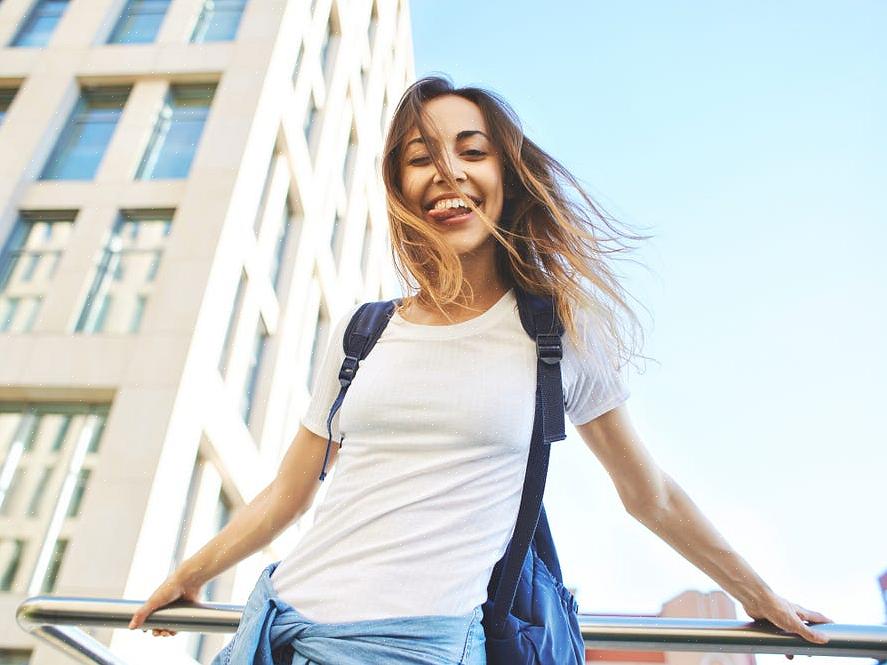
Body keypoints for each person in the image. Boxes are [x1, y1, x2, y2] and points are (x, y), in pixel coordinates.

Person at [127, 75, 832, 664]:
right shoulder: (364, 329)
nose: (448, 173)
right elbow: (287, 494)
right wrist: (187, 576)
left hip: (417, 644)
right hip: (274, 627)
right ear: (400, 185)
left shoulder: (555, 333)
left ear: (507, 174)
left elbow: (648, 493)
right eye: (419, 156)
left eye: (472, 151)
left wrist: (756, 595)